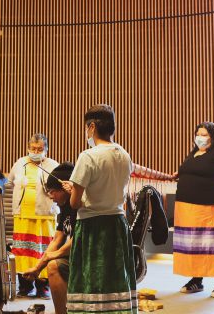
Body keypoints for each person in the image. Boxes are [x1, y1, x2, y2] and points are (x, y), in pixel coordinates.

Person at [68, 104, 157, 314]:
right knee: (115, 277)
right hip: (117, 223)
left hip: (92, 224)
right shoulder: (124, 155)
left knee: (91, 279)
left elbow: (74, 203)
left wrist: (73, 191)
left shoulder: (88, 156)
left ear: (91, 127)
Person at [172, 122, 214, 298]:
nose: (200, 138)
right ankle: (197, 280)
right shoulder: (194, 153)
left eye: (205, 135)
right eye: (198, 134)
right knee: (195, 245)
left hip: (213, 208)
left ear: (213, 136)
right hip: (188, 209)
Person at [9, 133, 60, 298]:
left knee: (42, 250)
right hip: (22, 214)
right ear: (28, 148)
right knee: (23, 252)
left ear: (46, 149)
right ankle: (24, 286)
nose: (36, 151)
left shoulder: (53, 165)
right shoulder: (19, 163)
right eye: (33, 148)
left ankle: (42, 287)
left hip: (45, 215)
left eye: (40, 149)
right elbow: (10, 181)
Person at [21, 163, 75, 314]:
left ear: (65, 188)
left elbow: (77, 240)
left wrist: (48, 259)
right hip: (78, 255)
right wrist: (38, 267)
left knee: (53, 265)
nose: (51, 197)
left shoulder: (78, 204)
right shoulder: (65, 207)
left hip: (90, 257)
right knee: (51, 263)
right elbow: (57, 239)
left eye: (52, 192)